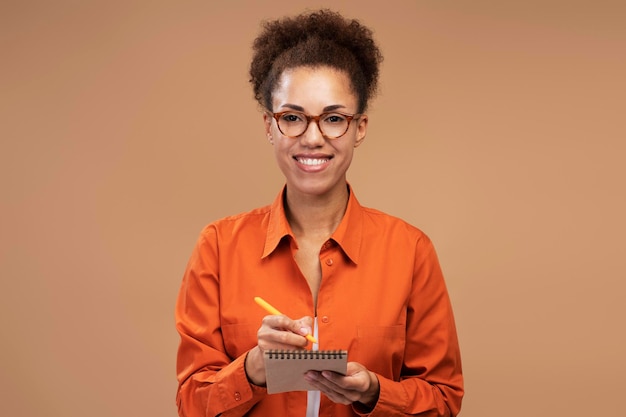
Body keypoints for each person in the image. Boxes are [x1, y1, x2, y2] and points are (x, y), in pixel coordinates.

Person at [175, 9, 463, 417]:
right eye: (292, 118)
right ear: (269, 126)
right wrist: (254, 369)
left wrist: (373, 391)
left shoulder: (411, 250)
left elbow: (444, 401)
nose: (312, 138)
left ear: (360, 127)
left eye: (333, 119)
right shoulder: (219, 247)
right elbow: (191, 404)